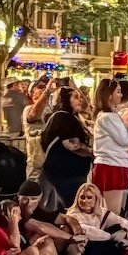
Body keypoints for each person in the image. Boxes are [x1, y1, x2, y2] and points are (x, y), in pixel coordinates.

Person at [63, 183, 128, 255]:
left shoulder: (102, 212)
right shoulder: (73, 214)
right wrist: (110, 237)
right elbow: (87, 231)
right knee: (103, 241)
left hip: (96, 250)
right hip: (79, 253)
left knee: (118, 229)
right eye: (82, 197)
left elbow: (126, 223)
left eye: (89, 197)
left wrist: (123, 232)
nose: (85, 200)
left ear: (96, 199)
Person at [38, 86, 93, 217]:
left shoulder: (69, 117)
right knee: (66, 211)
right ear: (64, 100)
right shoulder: (63, 118)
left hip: (68, 176)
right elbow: (72, 145)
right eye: (75, 97)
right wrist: (94, 152)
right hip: (64, 177)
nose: (80, 100)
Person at [91, 100, 128, 215]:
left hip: (120, 165)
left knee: (117, 212)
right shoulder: (107, 118)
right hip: (110, 166)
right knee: (111, 214)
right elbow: (125, 141)